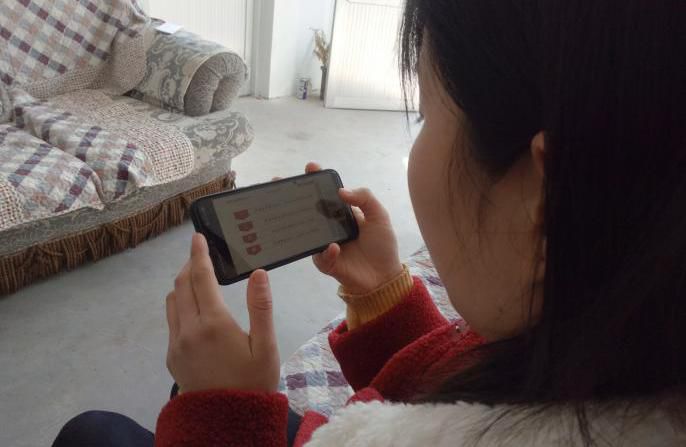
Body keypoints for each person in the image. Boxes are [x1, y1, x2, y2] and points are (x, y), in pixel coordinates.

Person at [53, 0, 686, 445]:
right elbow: (470, 385)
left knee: (93, 431)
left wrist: (224, 412)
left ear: (541, 205)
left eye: (427, 116)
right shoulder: (613, 346)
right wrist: (387, 301)